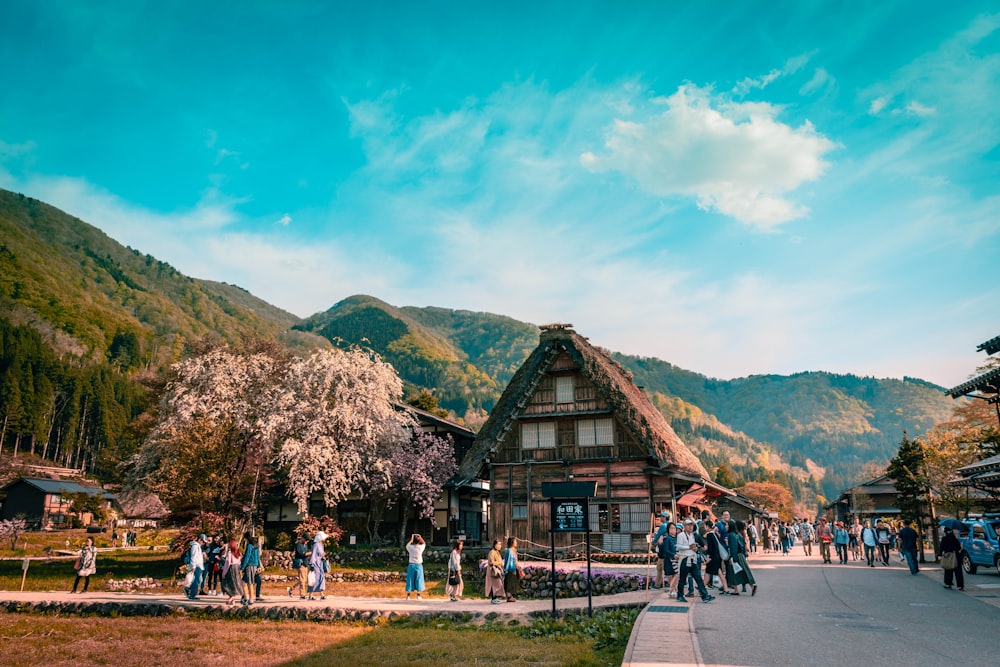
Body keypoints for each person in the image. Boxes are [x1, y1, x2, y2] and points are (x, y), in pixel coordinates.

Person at [675, 519, 713, 603]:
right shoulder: (681, 535)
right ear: (685, 526)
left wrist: (695, 548)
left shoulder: (692, 535)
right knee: (682, 578)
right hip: (685, 558)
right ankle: (680, 595)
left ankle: (705, 595)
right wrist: (689, 547)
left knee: (698, 578)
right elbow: (678, 546)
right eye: (688, 525)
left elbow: (693, 547)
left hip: (693, 558)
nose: (690, 527)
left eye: (691, 525)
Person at [727, 520, 757, 596]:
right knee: (744, 572)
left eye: (727, 525)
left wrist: (733, 558)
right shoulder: (738, 535)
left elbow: (733, 547)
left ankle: (736, 590)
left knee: (733, 572)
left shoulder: (731, 535)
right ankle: (752, 586)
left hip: (735, 555)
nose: (726, 527)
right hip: (741, 555)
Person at [940, 526, 965, 591]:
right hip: (956, 556)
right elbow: (959, 548)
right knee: (958, 572)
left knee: (948, 570)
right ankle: (960, 585)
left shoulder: (944, 538)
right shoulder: (955, 539)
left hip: (948, 556)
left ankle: (948, 583)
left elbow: (942, 547)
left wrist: (940, 555)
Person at [658, 522, 679, 597]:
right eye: (671, 528)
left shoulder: (676, 538)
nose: (673, 530)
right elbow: (666, 550)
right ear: (668, 530)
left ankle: (673, 590)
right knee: (675, 574)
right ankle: (671, 590)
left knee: (675, 575)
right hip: (669, 559)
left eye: (674, 528)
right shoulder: (667, 539)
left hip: (675, 559)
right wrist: (673, 555)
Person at [240, 531, 261, 606]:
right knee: (245, 582)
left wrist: (242, 567)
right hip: (254, 565)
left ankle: (249, 598)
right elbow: (258, 557)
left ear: (246, 538)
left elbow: (247, 557)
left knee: (249, 583)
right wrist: (258, 566)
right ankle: (246, 598)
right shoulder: (256, 545)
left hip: (249, 565)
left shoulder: (249, 546)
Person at [288, 534, 311, 599]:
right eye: (306, 540)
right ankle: (302, 594)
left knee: (304, 579)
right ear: (302, 538)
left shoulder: (305, 545)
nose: (307, 541)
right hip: (300, 563)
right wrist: (307, 554)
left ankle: (292, 588)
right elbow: (300, 553)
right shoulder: (298, 544)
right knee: (302, 579)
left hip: (305, 563)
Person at [220, 538, 243, 605]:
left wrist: (224, 573)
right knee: (235, 584)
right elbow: (240, 560)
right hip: (237, 569)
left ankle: (231, 598)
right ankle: (232, 600)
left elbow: (227, 563)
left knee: (227, 584)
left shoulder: (230, 553)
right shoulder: (239, 552)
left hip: (231, 569)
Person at [404, 533, 426, 600]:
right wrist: (420, 537)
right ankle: (418, 595)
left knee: (410, 579)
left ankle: (408, 595)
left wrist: (411, 539)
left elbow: (407, 545)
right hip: (419, 565)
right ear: (419, 541)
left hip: (411, 564)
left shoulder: (410, 547)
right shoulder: (420, 547)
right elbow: (424, 543)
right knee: (418, 579)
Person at [485, 538, 506, 604]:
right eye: (498, 544)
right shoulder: (492, 552)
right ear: (494, 545)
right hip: (493, 571)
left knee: (498, 584)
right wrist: (499, 563)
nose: (499, 546)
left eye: (500, 544)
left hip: (497, 571)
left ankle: (496, 597)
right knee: (494, 585)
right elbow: (491, 562)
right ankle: (493, 598)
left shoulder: (497, 552)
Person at [307, 530, 328, 600]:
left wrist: (324, 557)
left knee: (321, 578)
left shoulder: (321, 545)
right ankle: (311, 594)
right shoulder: (315, 545)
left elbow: (321, 554)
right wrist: (312, 564)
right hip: (315, 563)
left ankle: (322, 594)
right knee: (314, 579)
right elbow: (313, 555)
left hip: (320, 563)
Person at [186, 534, 206, 600]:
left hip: (199, 566)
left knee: (199, 580)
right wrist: (193, 566)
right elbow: (193, 557)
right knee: (196, 581)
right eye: (203, 541)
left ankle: (189, 589)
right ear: (200, 539)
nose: (203, 543)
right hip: (196, 566)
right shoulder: (195, 546)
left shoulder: (198, 546)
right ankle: (192, 595)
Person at [502, 536, 521, 602]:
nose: (516, 543)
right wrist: (506, 569)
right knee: (509, 582)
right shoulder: (509, 551)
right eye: (515, 541)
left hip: (514, 568)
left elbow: (516, 560)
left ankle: (510, 595)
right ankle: (508, 596)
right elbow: (507, 561)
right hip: (510, 569)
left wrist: (518, 566)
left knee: (513, 581)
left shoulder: (514, 550)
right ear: (512, 542)